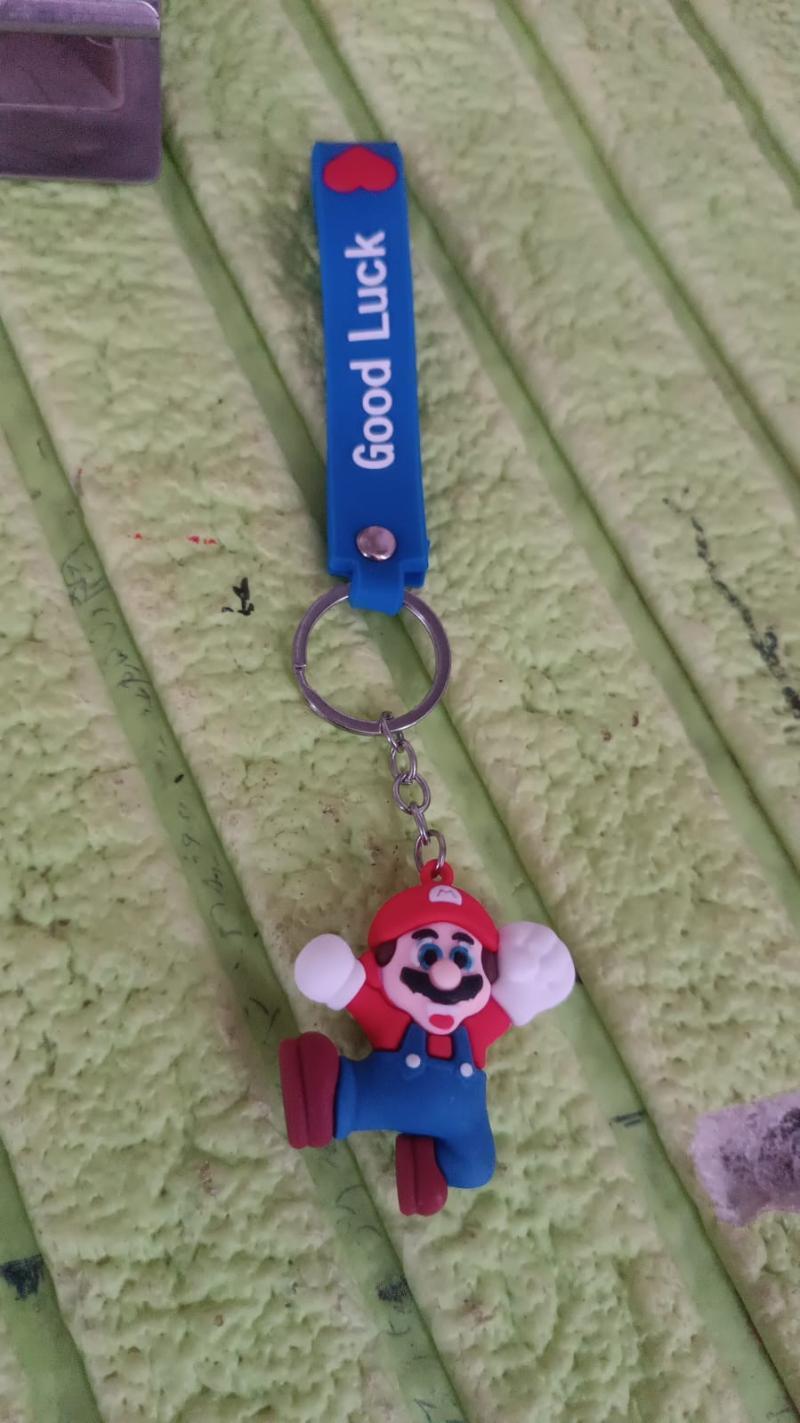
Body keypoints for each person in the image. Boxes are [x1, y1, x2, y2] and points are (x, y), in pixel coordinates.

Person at [280, 861, 574, 1215]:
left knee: (476, 1168)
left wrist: (533, 975)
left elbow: (513, 1001)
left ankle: (427, 1164)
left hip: (461, 1124)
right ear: (384, 960)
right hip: (376, 1093)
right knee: (340, 1102)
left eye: (462, 957)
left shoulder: (477, 1026)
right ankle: (324, 1089)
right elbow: (354, 992)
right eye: (428, 954)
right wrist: (339, 977)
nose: (446, 974)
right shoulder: (393, 1017)